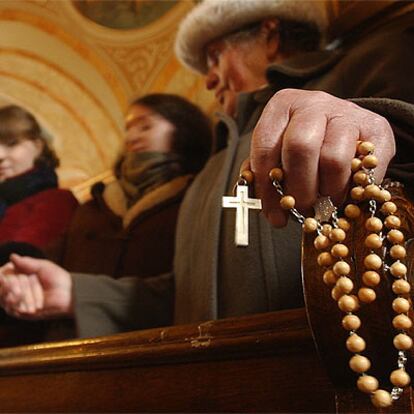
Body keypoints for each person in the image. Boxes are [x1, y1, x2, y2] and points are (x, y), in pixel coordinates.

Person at [0, 0, 414, 338]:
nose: (209, 80)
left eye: (215, 57)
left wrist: (372, 123)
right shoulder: (209, 170)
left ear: (269, 36)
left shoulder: (366, 67)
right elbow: (187, 299)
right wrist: (77, 292)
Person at [60, 93, 212, 278]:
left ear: (182, 130)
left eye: (145, 126)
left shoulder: (199, 199)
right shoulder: (93, 207)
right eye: (128, 129)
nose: (131, 137)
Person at [0, 105, 78, 263]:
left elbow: (22, 262)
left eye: (12, 143)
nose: (0, 155)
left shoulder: (57, 201)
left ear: (38, 146)